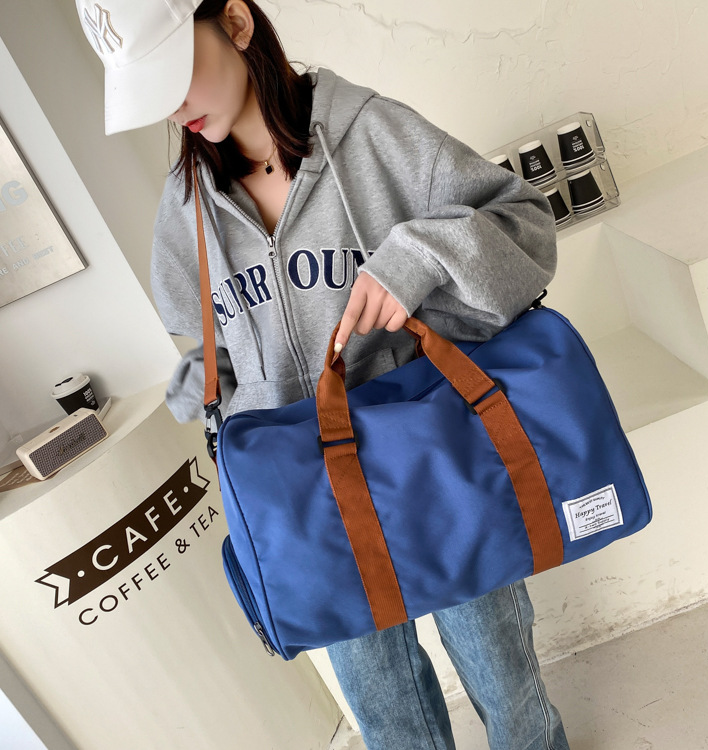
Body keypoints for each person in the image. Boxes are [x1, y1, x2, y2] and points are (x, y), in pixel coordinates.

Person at [76, 0, 570, 747]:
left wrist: (416, 259)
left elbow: (526, 227)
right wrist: (209, 378)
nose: (173, 108)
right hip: (309, 497)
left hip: (433, 459)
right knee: (384, 710)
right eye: (153, 93)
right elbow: (227, 343)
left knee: (500, 668)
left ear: (236, 24)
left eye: (175, 74)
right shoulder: (186, 210)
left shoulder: (374, 133)